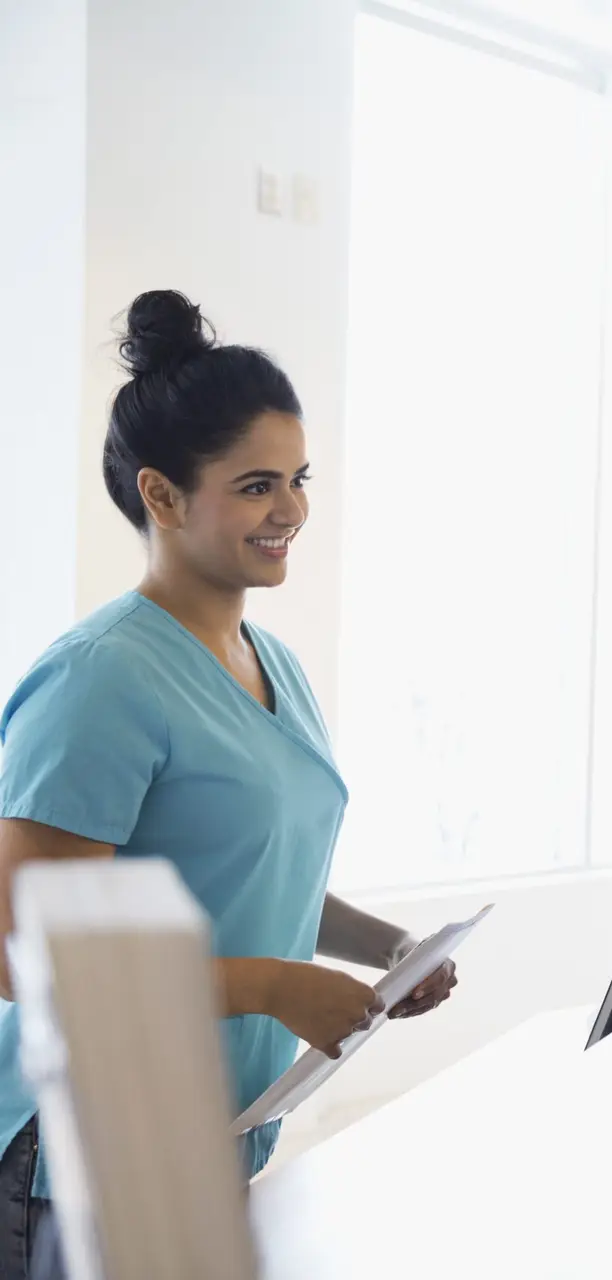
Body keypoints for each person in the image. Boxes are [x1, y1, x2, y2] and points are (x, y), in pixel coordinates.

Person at [0, 291, 459, 1277]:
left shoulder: (268, 660)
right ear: (161, 496)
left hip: (210, 1126)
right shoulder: (102, 677)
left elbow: (256, 869)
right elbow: (15, 947)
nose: (291, 509)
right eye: (256, 485)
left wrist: (393, 949)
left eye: (298, 479)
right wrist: (271, 986)